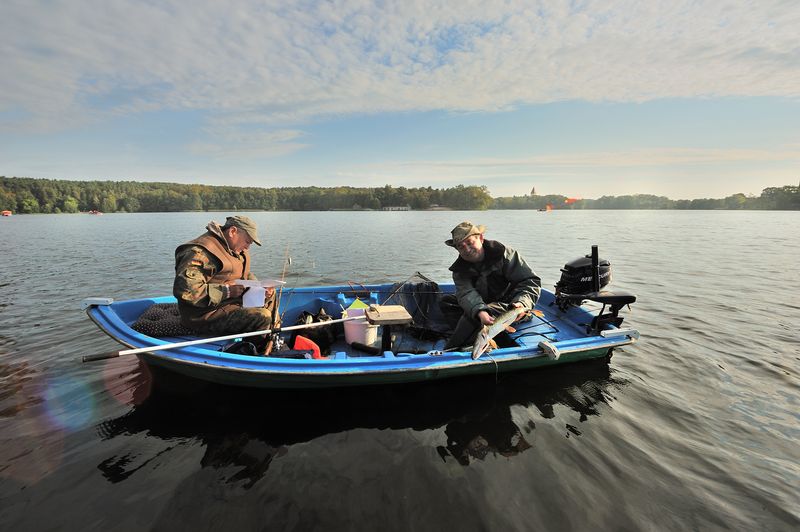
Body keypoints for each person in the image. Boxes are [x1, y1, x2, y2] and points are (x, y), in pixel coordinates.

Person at [173, 215, 277, 340]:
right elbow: (187, 292)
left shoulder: (234, 249)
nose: (247, 247)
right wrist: (227, 291)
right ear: (233, 231)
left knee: (271, 294)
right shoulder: (200, 253)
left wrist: (260, 287)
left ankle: (272, 337)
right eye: (247, 241)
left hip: (228, 305)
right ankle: (253, 349)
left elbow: (242, 273)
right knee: (262, 317)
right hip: (204, 316)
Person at [442, 221, 541, 349]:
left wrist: (522, 303)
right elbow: (465, 293)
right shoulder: (459, 270)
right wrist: (480, 310)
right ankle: (471, 334)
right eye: (461, 247)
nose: (467, 249)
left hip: (511, 307)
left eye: (470, 242)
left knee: (475, 315)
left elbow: (529, 282)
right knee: (447, 301)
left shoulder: (505, 254)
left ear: (481, 238)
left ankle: (452, 349)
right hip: (483, 304)